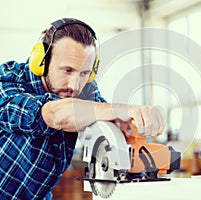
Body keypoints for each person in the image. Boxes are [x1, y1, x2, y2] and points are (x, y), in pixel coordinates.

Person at [0, 18, 165, 199]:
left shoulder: (86, 89)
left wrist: (136, 121)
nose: (75, 85)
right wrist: (121, 109)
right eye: (67, 70)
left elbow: (105, 119)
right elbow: (54, 114)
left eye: (85, 73)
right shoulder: (8, 82)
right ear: (42, 61)